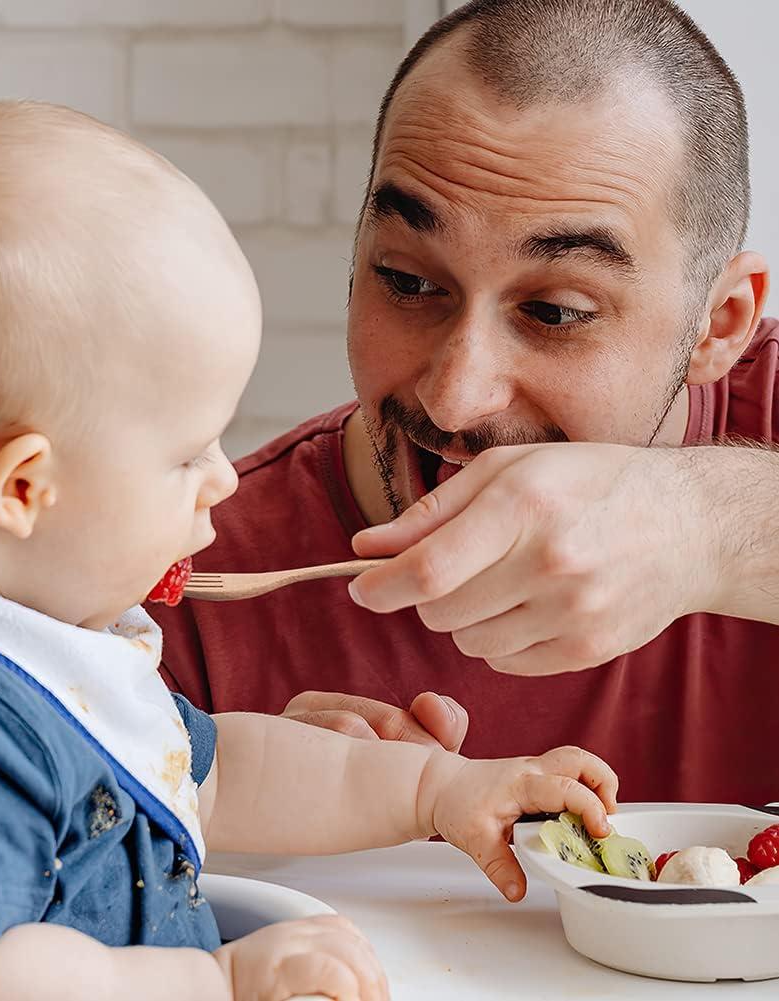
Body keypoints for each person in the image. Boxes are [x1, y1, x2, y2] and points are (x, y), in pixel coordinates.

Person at [0, 100, 618, 1001]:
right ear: (24, 488)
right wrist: (214, 980)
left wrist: (437, 789)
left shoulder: (35, 635)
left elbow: (220, 776)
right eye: (186, 454)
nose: (225, 477)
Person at [152, 0, 779, 805]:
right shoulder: (188, 583)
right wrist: (236, 821)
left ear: (716, 325)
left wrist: (707, 531)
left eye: (553, 312)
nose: (451, 398)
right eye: (408, 283)